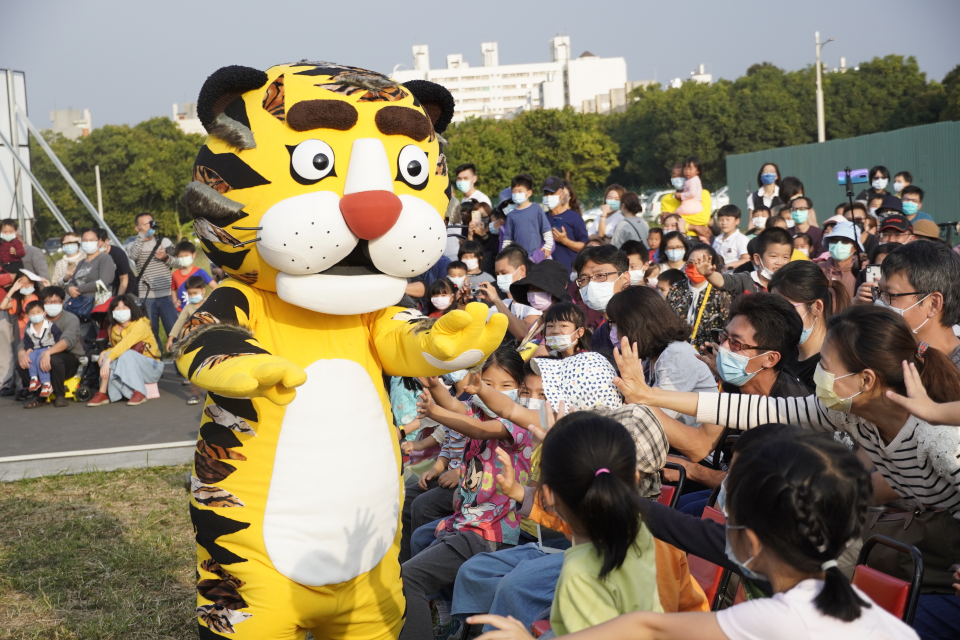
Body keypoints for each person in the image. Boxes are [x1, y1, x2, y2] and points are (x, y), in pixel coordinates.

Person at [615, 305, 960, 638]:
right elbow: (754, 410)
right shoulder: (850, 412)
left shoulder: (936, 435)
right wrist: (649, 395)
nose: (818, 374)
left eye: (825, 364)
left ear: (865, 380)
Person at [473, 430, 921, 640]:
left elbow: (649, 626)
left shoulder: (781, 619)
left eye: (731, 517)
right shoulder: (858, 608)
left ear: (751, 543)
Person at [400, 349, 534, 640]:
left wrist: (437, 413)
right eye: (487, 383)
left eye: (505, 386)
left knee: (410, 576)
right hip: (469, 524)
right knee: (419, 549)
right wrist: (434, 386)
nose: (493, 392)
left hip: (488, 533)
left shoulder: (521, 425)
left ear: (520, 391)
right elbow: (457, 406)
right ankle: (445, 617)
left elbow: (480, 429)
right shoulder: (480, 410)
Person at [538, 412, 664, 636]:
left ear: (548, 495)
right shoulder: (636, 528)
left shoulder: (580, 576)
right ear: (635, 478)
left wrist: (561, 454)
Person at [606, 285, 715, 426]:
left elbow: (658, 417)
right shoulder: (651, 357)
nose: (613, 332)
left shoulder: (676, 354)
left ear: (635, 324)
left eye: (615, 324)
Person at [856, 241, 960, 370]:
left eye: (890, 294)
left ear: (933, 304)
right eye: (879, 292)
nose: (879, 302)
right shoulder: (885, 357)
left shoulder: (955, 371)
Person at [768, 261, 850, 392]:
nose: (776, 317)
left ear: (817, 307)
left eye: (786, 308)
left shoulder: (832, 367)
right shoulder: (784, 352)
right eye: (772, 308)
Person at [85, 294, 163, 407]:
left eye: (125, 308)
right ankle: (102, 393)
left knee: (123, 354)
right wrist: (105, 353)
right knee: (110, 354)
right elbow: (117, 348)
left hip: (151, 366)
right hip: (129, 365)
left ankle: (139, 391)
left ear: (132, 309)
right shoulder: (113, 328)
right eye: (117, 308)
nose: (121, 311)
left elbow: (125, 344)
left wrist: (108, 360)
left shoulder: (140, 324)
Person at [19, 287, 85, 409]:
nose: (52, 304)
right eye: (48, 301)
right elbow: (24, 343)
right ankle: (38, 396)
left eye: (56, 301)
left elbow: (67, 341)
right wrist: (22, 354)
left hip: (68, 359)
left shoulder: (70, 318)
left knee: (54, 359)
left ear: (63, 302)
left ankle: (60, 395)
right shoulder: (34, 320)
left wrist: (47, 353)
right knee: (22, 362)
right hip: (40, 357)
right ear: (42, 303)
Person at [665, 243, 731, 353]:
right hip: (677, 352)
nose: (696, 267)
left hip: (708, 356)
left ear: (712, 265)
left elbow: (726, 328)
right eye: (691, 263)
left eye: (700, 263)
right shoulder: (676, 288)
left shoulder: (721, 292)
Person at [127, 212, 178, 348]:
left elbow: (179, 263)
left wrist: (166, 258)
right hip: (147, 297)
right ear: (136, 228)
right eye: (144, 224)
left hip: (167, 295)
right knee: (151, 336)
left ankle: (180, 367)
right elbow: (133, 255)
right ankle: (156, 366)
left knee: (174, 335)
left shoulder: (164, 242)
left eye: (151, 222)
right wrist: (142, 235)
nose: (149, 226)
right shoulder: (133, 245)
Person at [694, 227, 794, 296]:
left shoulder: (790, 285)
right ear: (757, 259)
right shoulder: (745, 280)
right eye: (774, 256)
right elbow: (722, 281)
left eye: (785, 257)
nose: (780, 262)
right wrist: (709, 275)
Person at [479, 246, 542, 341]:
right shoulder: (505, 304)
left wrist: (496, 300)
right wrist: (461, 303)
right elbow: (476, 326)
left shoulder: (536, 301)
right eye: (497, 274)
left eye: (504, 273)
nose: (500, 278)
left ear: (522, 270)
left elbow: (523, 333)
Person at [574, 245, 630, 351]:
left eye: (600, 275)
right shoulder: (598, 337)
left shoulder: (646, 320)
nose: (591, 284)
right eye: (584, 279)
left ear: (625, 278)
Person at [167, 274, 209, 405]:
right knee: (194, 369)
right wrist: (170, 338)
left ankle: (215, 394)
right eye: (190, 294)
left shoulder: (210, 303)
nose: (192, 296)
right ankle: (195, 394)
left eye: (195, 293)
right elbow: (179, 323)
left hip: (210, 341)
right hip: (194, 343)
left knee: (212, 369)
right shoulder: (188, 307)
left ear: (203, 291)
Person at [65, 228, 116, 324]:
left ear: (99, 241)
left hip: (97, 307)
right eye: (85, 240)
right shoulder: (81, 262)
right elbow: (73, 281)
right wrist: (70, 288)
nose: (88, 243)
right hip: (79, 307)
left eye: (91, 240)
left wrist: (79, 289)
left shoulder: (104, 258)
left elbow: (103, 282)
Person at [501, 174, 554, 260]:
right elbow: (508, 239)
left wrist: (548, 246)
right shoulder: (511, 215)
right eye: (514, 191)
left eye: (520, 191)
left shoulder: (536, 208)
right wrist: (505, 255)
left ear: (529, 193)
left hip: (538, 257)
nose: (516, 194)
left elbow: (546, 230)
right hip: (520, 258)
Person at [543, 177, 589, 271]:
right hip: (546, 272)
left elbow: (585, 246)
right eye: (545, 194)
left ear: (562, 194)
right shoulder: (542, 218)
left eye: (552, 193)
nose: (548, 197)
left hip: (568, 272)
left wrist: (565, 241)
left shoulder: (574, 218)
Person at [20, 299, 61, 399]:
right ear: (28, 316)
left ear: (44, 313)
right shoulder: (29, 329)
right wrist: (28, 348)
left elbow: (59, 336)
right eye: (32, 313)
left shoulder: (50, 326)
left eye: (38, 312)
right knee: (31, 357)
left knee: (40, 359)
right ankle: (34, 379)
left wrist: (54, 348)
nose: (36, 315)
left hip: (48, 348)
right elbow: (27, 341)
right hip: (36, 348)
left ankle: (46, 383)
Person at [819, 220, 863, 298]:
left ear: (856, 247)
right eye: (835, 240)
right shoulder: (819, 269)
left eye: (845, 241)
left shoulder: (860, 272)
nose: (839, 244)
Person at [171, 240, 215, 311]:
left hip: (198, 310)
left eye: (186, 256)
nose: (183, 258)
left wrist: (207, 301)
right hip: (182, 311)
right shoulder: (175, 274)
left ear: (193, 255)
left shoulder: (200, 272)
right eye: (180, 256)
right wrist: (175, 301)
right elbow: (173, 289)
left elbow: (215, 287)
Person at [674, 157, 710, 241]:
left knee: (673, 216)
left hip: (689, 205)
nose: (687, 171)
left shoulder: (693, 180)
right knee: (702, 228)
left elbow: (692, 193)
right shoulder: (693, 180)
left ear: (698, 171)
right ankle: (704, 239)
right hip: (696, 206)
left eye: (690, 169)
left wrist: (681, 196)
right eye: (685, 169)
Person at [712, 205, 750, 271]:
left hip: (735, 277)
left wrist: (731, 265)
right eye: (721, 220)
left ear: (737, 221)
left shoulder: (741, 239)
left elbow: (747, 259)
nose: (724, 223)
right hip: (719, 277)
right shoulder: (717, 239)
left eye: (728, 220)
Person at [94, 228, 131, 296]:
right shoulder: (92, 256)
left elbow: (124, 280)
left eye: (99, 246)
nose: (97, 249)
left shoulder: (118, 254)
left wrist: (118, 299)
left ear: (106, 241)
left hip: (125, 291)